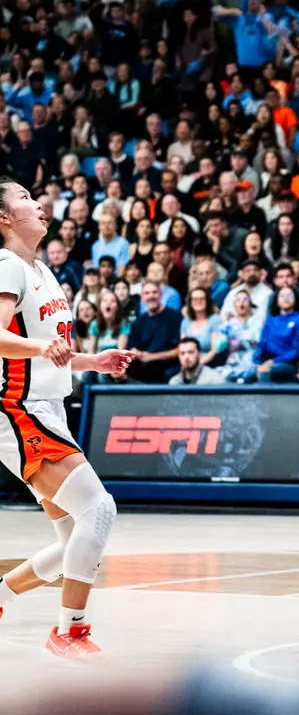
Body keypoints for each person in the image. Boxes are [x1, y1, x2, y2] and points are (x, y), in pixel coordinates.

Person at [0, 178, 132, 657]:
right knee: (100, 510)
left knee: (74, 537)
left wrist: (92, 361)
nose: (37, 203)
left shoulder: (43, 271)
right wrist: (41, 347)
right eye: (24, 198)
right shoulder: (7, 265)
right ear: (4, 219)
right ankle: (69, 632)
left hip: (48, 409)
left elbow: (50, 351)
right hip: (19, 408)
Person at [126, 280, 182, 383]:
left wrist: (151, 357)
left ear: (160, 295)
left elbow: (180, 350)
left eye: (154, 292)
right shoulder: (138, 323)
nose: (151, 296)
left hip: (167, 368)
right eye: (147, 293)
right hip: (143, 369)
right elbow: (131, 348)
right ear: (142, 298)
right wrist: (135, 353)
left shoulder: (176, 318)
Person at [256, 286, 299, 382]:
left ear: (296, 299)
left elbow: (297, 350)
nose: (286, 298)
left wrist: (273, 361)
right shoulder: (270, 320)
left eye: (290, 295)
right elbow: (262, 344)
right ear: (276, 300)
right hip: (267, 361)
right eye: (282, 296)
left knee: (273, 370)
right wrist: (257, 362)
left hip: (288, 363)